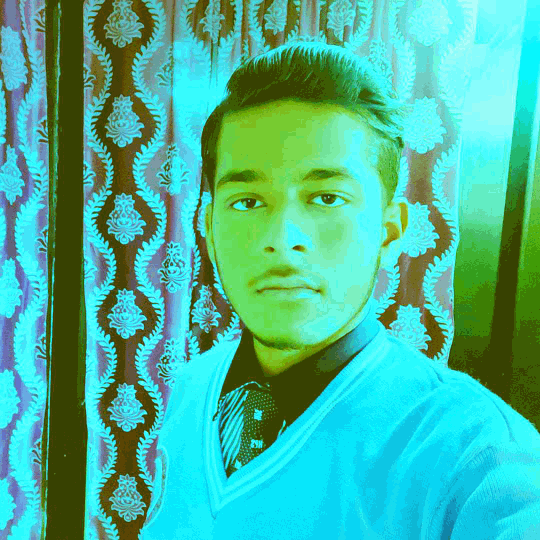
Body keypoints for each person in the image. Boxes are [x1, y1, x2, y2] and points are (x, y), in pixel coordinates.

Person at [142, 42, 540, 539]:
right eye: (247, 201)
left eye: (327, 198)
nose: (282, 238)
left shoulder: (475, 454)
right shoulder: (192, 387)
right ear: (208, 228)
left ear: (390, 232)